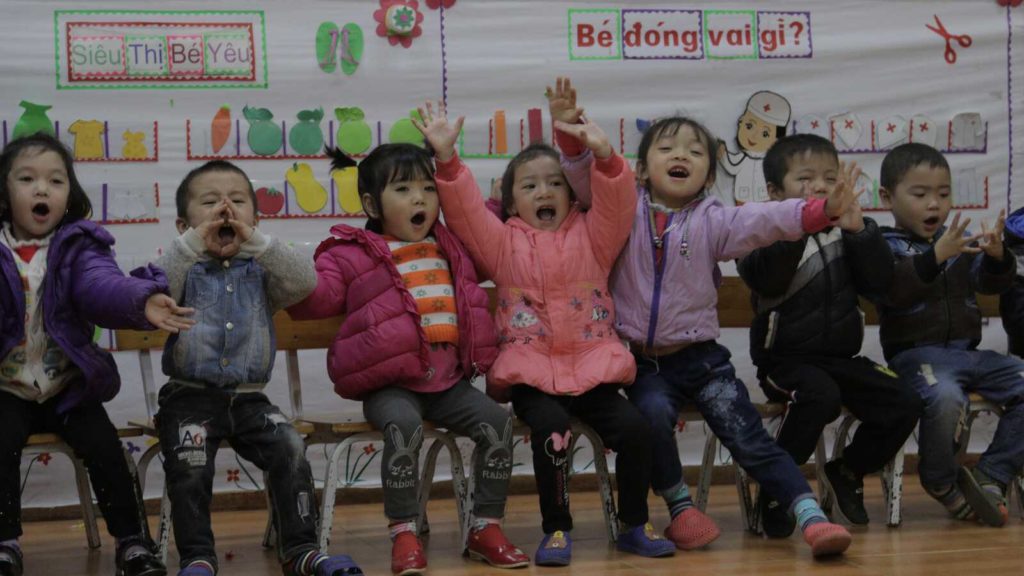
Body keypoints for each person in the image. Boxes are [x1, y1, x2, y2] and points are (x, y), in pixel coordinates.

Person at [556, 78, 857, 558]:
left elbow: (767, 220)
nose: (682, 155)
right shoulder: (622, 210)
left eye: (695, 152)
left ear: (709, 173)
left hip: (703, 360)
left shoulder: (715, 220)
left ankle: (808, 512)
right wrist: (571, 133)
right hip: (645, 365)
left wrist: (820, 211)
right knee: (651, 416)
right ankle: (680, 507)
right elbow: (578, 176)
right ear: (641, 168)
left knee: (745, 432)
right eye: (668, 147)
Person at [413, 91, 677, 566]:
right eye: (529, 186)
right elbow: (467, 213)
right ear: (510, 202)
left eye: (554, 183)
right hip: (532, 374)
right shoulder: (500, 243)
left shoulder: (595, 234)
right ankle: (556, 528)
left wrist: (602, 155)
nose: (544, 193)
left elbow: (618, 202)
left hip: (594, 368)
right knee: (552, 431)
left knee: (637, 431)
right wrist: (446, 160)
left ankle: (634, 524)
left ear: (572, 193)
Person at [288, 143, 528, 575]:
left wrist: (490, 204)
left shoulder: (452, 247)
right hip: (391, 386)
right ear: (371, 204)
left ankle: (484, 526)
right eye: (402, 189)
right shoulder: (349, 253)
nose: (420, 199)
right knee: (404, 427)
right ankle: (404, 531)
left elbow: (488, 242)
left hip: (448, 384)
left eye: (427, 188)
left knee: (497, 423)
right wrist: (288, 274)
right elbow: (318, 299)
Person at [154, 160, 362, 576]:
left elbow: (305, 282)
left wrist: (260, 243)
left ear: (256, 218)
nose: (225, 209)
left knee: (289, 447)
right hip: (188, 397)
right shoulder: (183, 269)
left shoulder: (262, 271)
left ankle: (301, 550)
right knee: (190, 464)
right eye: (209, 202)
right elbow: (152, 285)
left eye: (238, 202)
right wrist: (192, 244)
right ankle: (197, 557)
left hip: (250, 399)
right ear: (183, 225)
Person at [0, 133, 193, 576]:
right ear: (4, 191)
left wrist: (140, 301)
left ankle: (132, 543)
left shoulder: (80, 245)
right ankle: (5, 544)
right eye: (27, 179)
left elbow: (101, 285)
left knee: (107, 450)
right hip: (7, 389)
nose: (42, 189)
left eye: (56, 180)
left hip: (68, 387)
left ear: (70, 194)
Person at [738, 133, 921, 534]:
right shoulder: (761, 230)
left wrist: (859, 232)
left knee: (904, 399)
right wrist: (802, 221)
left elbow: (881, 285)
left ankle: (848, 471)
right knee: (820, 395)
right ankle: (778, 490)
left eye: (828, 176)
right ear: (773, 191)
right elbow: (765, 278)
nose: (820, 186)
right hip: (783, 363)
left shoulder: (850, 228)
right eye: (805, 179)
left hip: (841, 359)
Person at [875, 142, 1024, 527]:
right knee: (945, 397)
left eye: (943, 194)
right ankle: (940, 479)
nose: (934, 205)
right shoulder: (882, 247)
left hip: (969, 355)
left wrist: (996, 258)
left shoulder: (959, 242)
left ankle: (991, 473)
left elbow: (991, 284)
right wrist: (935, 256)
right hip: (916, 357)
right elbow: (893, 290)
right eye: (920, 194)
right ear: (887, 197)